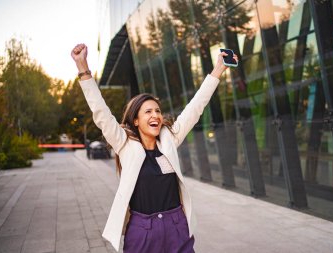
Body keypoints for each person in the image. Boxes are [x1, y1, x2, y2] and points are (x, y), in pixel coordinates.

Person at [71, 43, 238, 253]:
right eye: (148, 112)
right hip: (142, 231)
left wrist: (218, 70)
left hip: (177, 226)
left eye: (157, 111)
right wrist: (82, 67)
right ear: (136, 121)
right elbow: (101, 113)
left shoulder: (169, 139)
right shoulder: (124, 143)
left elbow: (196, 107)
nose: (155, 116)